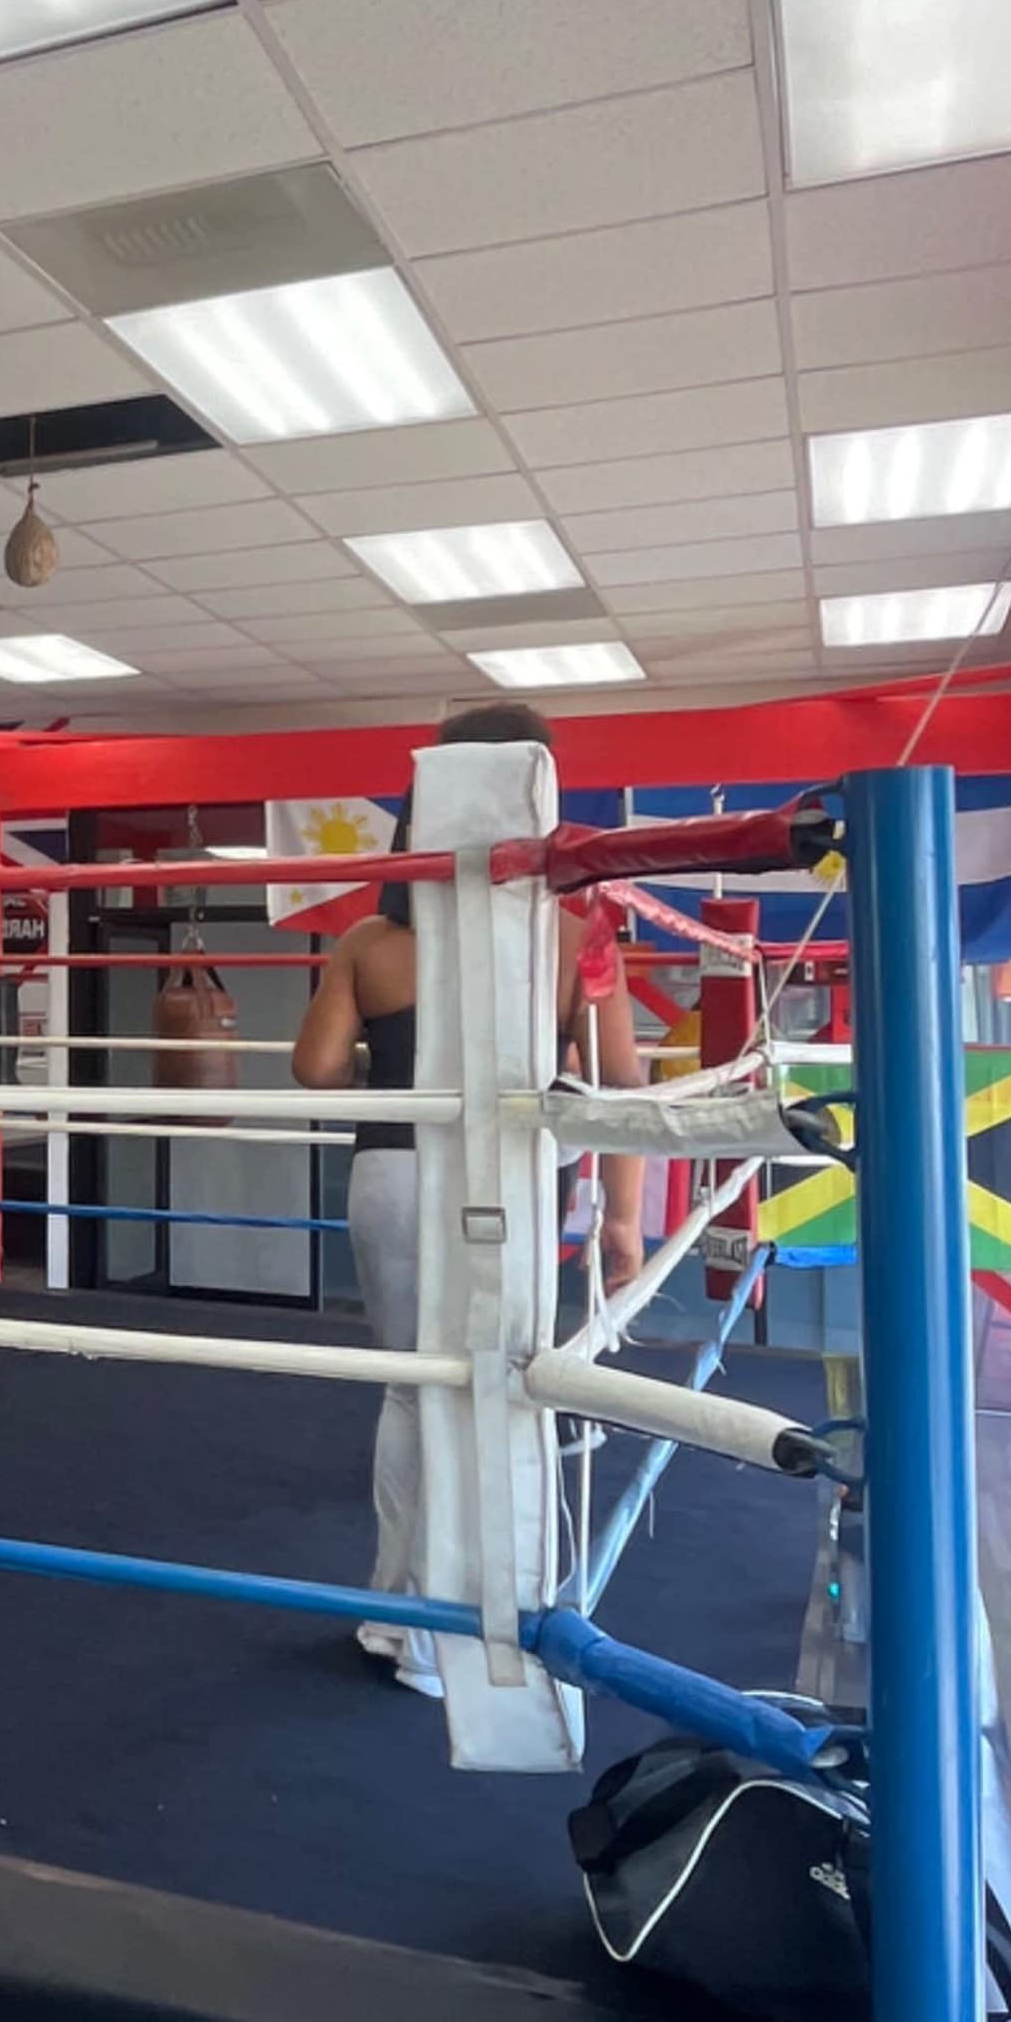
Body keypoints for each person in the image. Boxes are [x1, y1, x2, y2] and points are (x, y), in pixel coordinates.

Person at [288, 700, 646, 1697]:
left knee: (413, 1389)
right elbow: (620, 1086)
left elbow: (315, 1069)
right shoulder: (575, 934)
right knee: (494, 1393)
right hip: (512, 1183)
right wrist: (624, 1217)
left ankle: (399, 1618)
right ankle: (461, 1634)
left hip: (394, 1173)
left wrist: (397, 1061)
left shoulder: (370, 939)